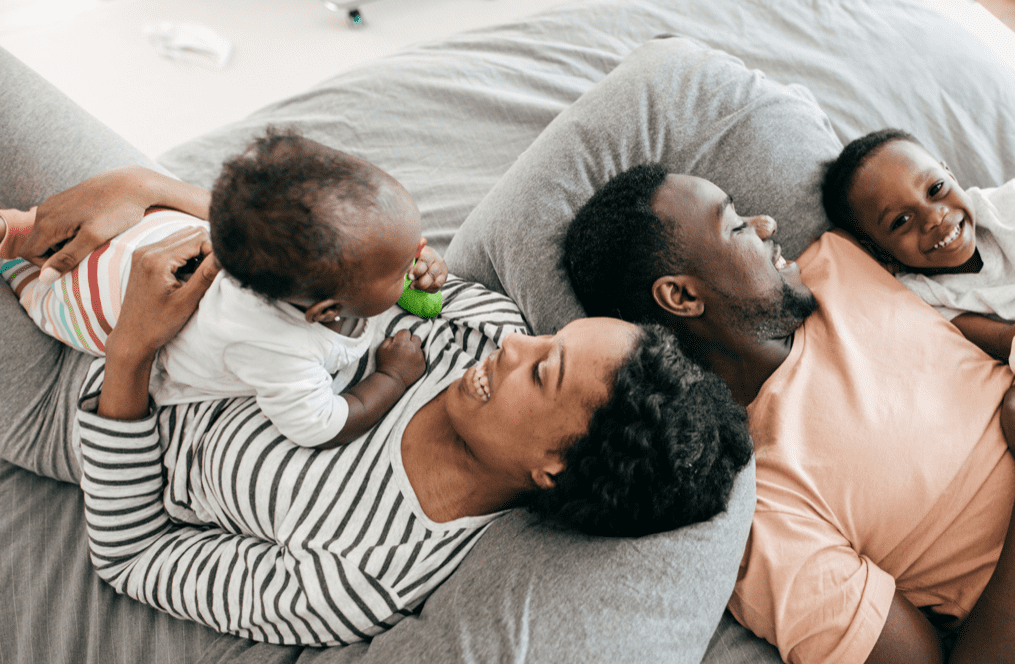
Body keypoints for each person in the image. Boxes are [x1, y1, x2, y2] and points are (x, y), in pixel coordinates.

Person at [2, 164, 753, 646]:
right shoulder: (479, 329)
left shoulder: (362, 577)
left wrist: (131, 354)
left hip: (67, 389)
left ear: (554, 465)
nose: (515, 346)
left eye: (542, 374)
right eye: (547, 338)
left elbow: (133, 556)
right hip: (177, 248)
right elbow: (333, 262)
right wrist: (146, 189)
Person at [563, 163, 1015, 664]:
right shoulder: (762, 508)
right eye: (735, 225)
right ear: (684, 296)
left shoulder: (842, 258)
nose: (767, 225)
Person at [0, 127, 449, 449]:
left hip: (155, 229)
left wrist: (405, 262)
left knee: (56, 238)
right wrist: (393, 377)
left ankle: (23, 230)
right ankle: (20, 265)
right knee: (38, 289)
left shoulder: (260, 248)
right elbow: (323, 425)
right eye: (403, 264)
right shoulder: (279, 349)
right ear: (324, 311)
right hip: (91, 306)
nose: (420, 255)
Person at [821, 127, 1015, 367]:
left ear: (950, 175)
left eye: (936, 189)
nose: (934, 218)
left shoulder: (1008, 206)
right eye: (901, 221)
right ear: (878, 251)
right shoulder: (919, 297)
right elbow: (1005, 341)